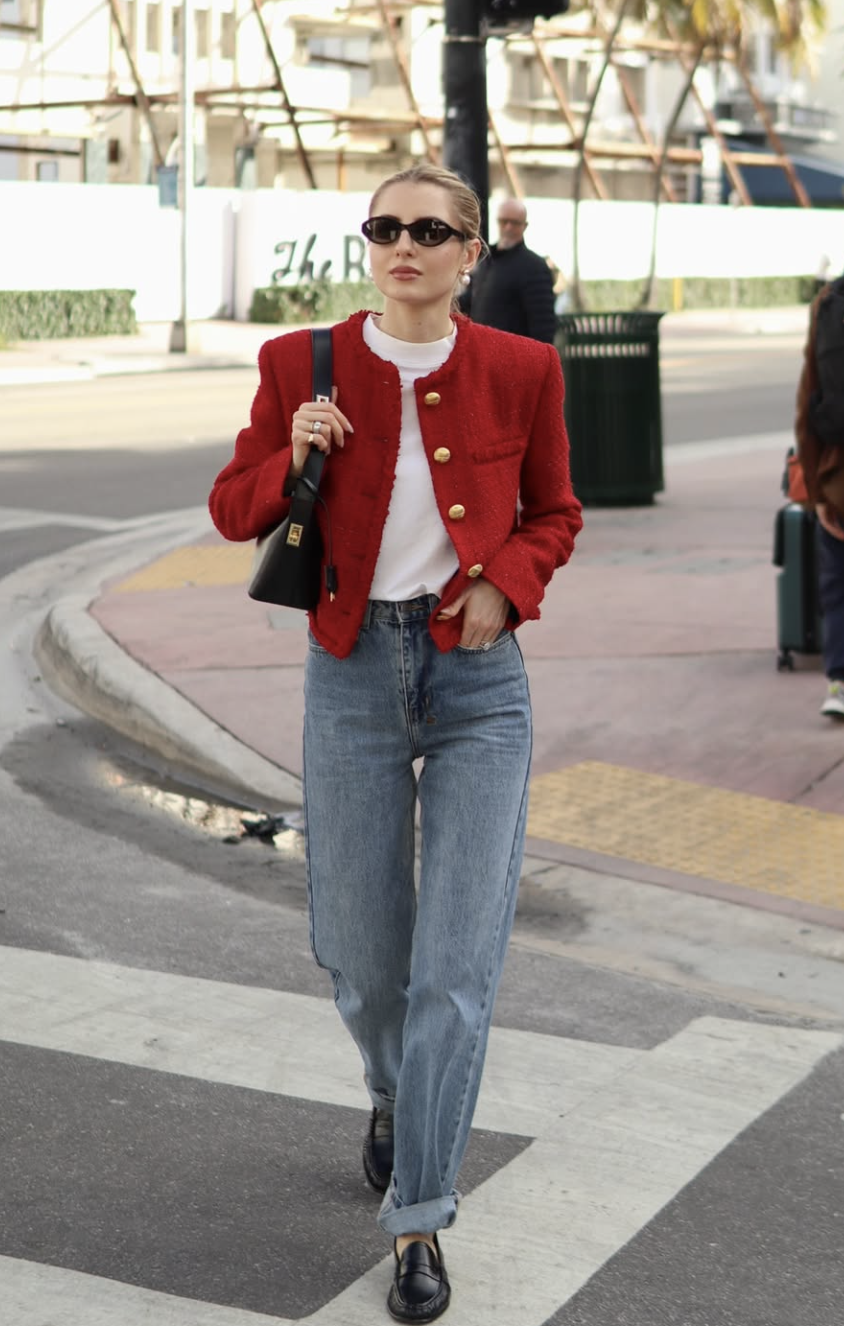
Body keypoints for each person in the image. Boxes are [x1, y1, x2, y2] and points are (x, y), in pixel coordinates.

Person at [209, 163, 582, 1322]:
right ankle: (393, 1091)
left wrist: (505, 588)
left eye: (431, 229)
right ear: (366, 245)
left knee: (456, 970)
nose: (404, 244)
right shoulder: (299, 364)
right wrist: (292, 453)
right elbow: (232, 507)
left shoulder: (523, 369)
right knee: (366, 957)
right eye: (385, 227)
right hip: (351, 675)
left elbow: (555, 512)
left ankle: (420, 1215)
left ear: (471, 251)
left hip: (478, 687)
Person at [795, 273, 844, 720]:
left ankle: (839, 681)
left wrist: (814, 491)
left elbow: (809, 401)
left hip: (836, 474)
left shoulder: (829, 301)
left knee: (837, 587)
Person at [459, 197, 557, 343]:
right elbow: (470, 302)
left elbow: (543, 324)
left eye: (515, 223)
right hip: (482, 352)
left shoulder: (534, 266)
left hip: (515, 355)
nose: (508, 227)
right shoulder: (486, 260)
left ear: (525, 226)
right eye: (504, 221)